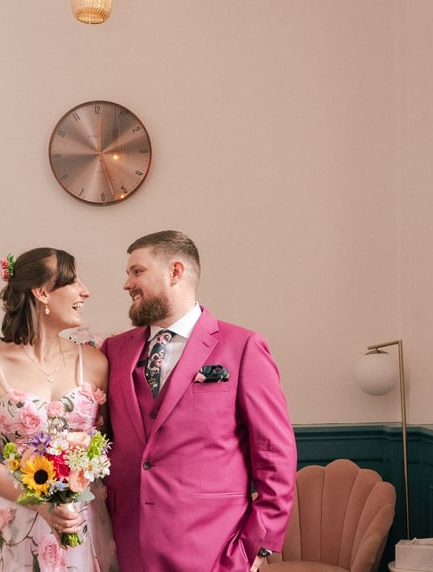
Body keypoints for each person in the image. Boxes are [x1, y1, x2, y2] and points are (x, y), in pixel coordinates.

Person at [100, 230, 297, 571]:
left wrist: (257, 546)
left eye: (137, 272)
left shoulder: (243, 347)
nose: (127, 284)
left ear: (175, 272)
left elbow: (274, 452)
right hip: (128, 542)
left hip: (215, 548)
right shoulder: (113, 350)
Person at [0, 247, 118, 572]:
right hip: (15, 524)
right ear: (42, 292)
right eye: (73, 281)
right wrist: (43, 505)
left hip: (82, 523)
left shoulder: (94, 362)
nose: (85, 291)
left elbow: (105, 447)